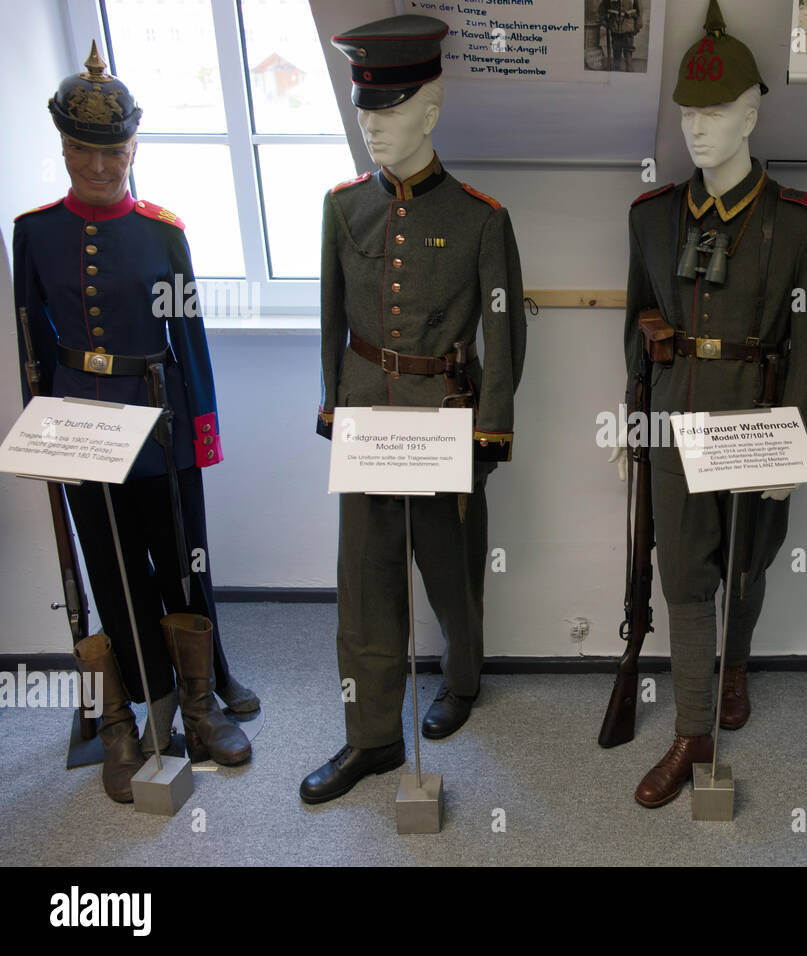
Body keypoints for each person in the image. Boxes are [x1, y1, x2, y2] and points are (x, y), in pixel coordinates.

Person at [15, 44, 256, 801]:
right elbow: (30, 336)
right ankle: (137, 709)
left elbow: (190, 342)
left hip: (157, 421)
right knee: (111, 569)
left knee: (182, 562)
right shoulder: (34, 231)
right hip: (77, 420)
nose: (98, 168)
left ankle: (200, 696)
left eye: (112, 152)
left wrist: (199, 433)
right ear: (64, 148)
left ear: (133, 149)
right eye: (84, 151)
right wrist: (38, 427)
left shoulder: (161, 234)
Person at [618, 0, 807, 808]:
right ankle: (691, 732)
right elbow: (638, 330)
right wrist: (633, 424)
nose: (697, 130)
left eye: (714, 112)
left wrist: (804, 445)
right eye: (687, 114)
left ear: (751, 114)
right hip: (676, 415)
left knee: (746, 569)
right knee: (682, 575)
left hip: (760, 417)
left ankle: (735, 663)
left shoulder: (802, 226)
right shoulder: (651, 218)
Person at [301, 15, 526, 805]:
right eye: (364, 112)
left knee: (451, 569)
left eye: (388, 112)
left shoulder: (479, 218)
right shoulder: (341, 209)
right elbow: (332, 317)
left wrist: (492, 425)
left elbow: (504, 326)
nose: (372, 128)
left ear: (428, 111)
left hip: (443, 418)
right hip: (366, 413)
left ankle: (462, 678)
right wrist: (333, 405)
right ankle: (370, 739)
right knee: (362, 581)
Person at [601, 0, 643, 72]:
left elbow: (639, 10)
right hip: (615, 25)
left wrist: (638, 25)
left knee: (628, 49)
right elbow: (603, 7)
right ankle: (616, 68)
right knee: (616, 49)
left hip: (628, 25)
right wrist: (604, 21)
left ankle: (629, 68)